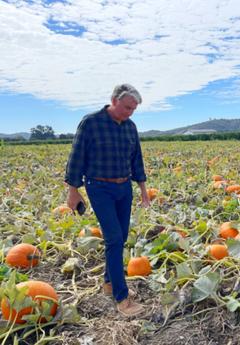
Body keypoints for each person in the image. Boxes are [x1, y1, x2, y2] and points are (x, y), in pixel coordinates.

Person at [65, 83, 150, 317]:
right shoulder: (91, 123)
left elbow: (137, 160)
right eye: (126, 107)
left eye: (133, 109)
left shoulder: (130, 127)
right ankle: (122, 299)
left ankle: (109, 283)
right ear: (113, 101)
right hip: (99, 187)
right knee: (113, 238)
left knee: (121, 237)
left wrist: (143, 190)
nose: (129, 112)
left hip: (124, 187)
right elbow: (76, 156)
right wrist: (73, 190)